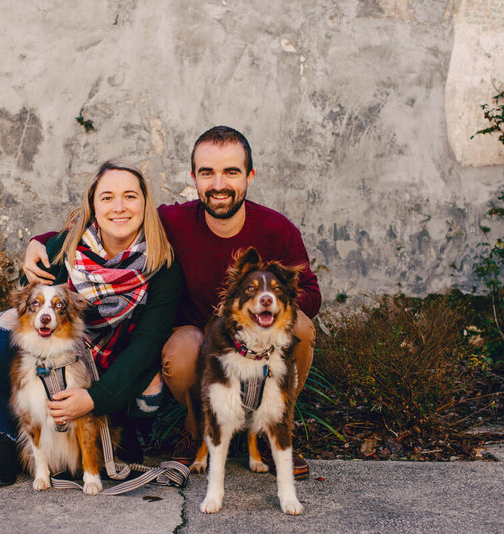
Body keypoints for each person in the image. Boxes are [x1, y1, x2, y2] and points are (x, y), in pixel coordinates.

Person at [24, 126, 321, 479]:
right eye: (208, 173)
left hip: (257, 334)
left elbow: (312, 295)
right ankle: (194, 430)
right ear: (194, 177)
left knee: (300, 324)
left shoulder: (277, 230)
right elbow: (111, 220)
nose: (219, 184)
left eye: (231, 172)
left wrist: (255, 312)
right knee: (182, 350)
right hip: (195, 334)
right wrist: (40, 242)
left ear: (249, 176)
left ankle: (274, 428)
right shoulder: (172, 221)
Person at [0, 160, 182, 487]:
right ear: (92, 204)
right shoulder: (63, 248)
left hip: (116, 365)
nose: (119, 207)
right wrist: (38, 243)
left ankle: (121, 426)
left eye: (130, 196)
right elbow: (29, 305)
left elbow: (147, 345)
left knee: (151, 385)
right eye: (107, 197)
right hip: (64, 358)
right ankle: (8, 438)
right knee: (6, 325)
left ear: (146, 204)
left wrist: (94, 399)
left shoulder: (163, 265)